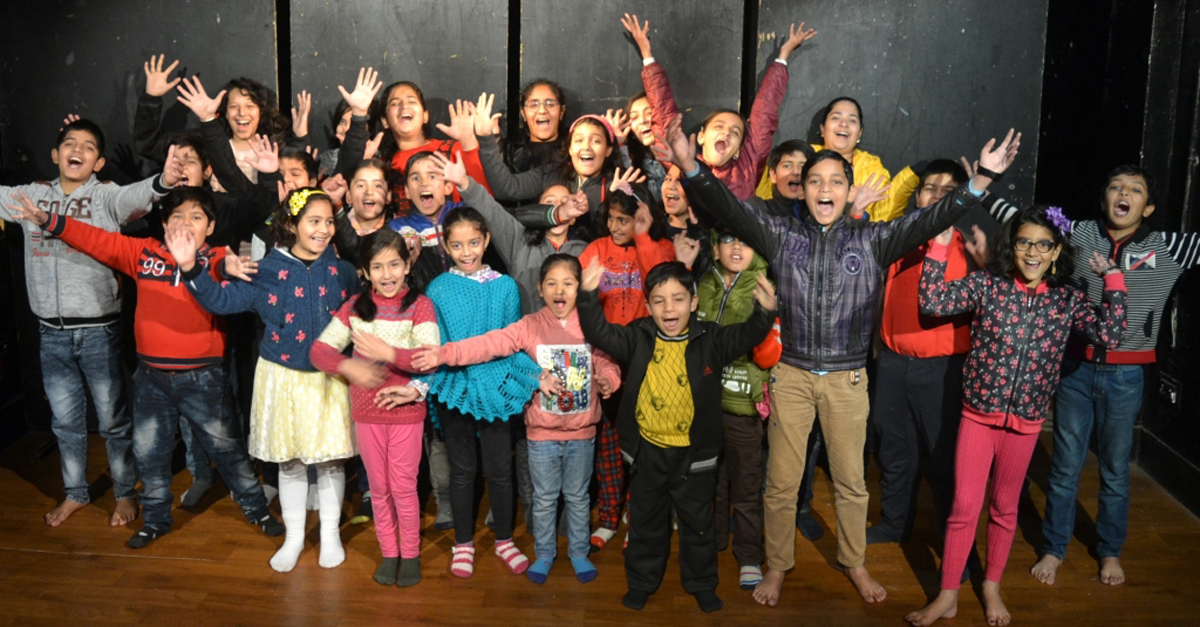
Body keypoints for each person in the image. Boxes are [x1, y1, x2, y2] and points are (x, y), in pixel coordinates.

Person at [662, 112, 1021, 606]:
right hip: (790, 376)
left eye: (835, 181)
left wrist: (981, 179)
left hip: (848, 380)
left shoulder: (875, 239)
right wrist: (688, 163)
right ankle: (778, 567)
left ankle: (854, 562)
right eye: (814, 181)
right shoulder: (780, 235)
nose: (824, 189)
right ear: (803, 191)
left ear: (849, 191)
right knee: (781, 484)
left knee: (852, 484)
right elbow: (727, 205)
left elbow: (933, 217)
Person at [10, 186, 286, 547]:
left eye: (196, 217)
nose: (186, 223)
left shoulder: (217, 257)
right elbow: (95, 238)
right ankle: (156, 518)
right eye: (177, 216)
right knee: (150, 455)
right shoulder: (143, 253)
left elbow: (223, 264)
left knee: (229, 451)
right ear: (163, 223)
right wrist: (49, 220)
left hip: (203, 378)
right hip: (152, 379)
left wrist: (228, 266)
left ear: (211, 226)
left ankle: (257, 509)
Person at [905, 205, 1127, 627]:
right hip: (978, 417)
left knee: (1005, 509)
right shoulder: (989, 286)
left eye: (1043, 245)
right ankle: (947, 595)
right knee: (963, 507)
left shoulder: (1066, 300)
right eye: (1024, 241)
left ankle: (991, 585)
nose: (1032, 252)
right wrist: (937, 245)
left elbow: (1111, 334)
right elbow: (932, 300)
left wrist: (1113, 279)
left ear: (1056, 252)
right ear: (1014, 245)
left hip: (1024, 424)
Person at [980, 167, 1200, 587]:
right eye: (1116, 187)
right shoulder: (1077, 234)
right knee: (1064, 467)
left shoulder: (1168, 246)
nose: (1124, 193)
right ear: (1104, 200)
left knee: (1115, 469)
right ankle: (1053, 548)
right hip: (1074, 370)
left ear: (1147, 206)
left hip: (1126, 375)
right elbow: (1018, 222)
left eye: (1135, 190)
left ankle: (1110, 551)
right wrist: (983, 186)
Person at [0, 119, 181, 527]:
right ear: (55, 154)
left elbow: (139, 197)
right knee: (64, 421)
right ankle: (75, 493)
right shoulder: (31, 195)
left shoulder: (105, 197)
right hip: (51, 332)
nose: (75, 149)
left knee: (113, 419)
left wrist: (163, 182)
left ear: (98, 162)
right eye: (68, 143)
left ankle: (123, 493)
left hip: (99, 330)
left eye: (86, 146)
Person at [577, 259, 777, 612]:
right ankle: (641, 581)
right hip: (646, 455)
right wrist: (589, 296)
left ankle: (700, 583)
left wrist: (764, 312)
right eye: (659, 300)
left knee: (698, 526)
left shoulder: (711, 338)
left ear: (694, 302)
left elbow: (747, 334)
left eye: (679, 299)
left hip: (694, 458)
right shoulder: (637, 335)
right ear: (648, 304)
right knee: (646, 526)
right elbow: (599, 334)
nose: (669, 308)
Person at [177, 188, 359, 572]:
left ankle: (330, 534)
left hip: (328, 381)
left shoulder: (342, 272)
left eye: (329, 221)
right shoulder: (267, 271)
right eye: (314, 221)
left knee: (330, 463)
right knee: (290, 462)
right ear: (291, 225)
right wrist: (192, 268)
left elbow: (360, 320)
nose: (324, 229)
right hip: (283, 378)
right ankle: (294, 537)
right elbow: (222, 302)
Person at [415, 254, 621, 584]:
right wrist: (445, 353)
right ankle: (544, 555)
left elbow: (606, 359)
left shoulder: (591, 326)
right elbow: (490, 343)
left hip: (583, 433)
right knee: (543, 499)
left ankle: (579, 553)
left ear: (579, 288)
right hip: (541, 434)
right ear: (540, 289)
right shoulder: (529, 326)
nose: (560, 290)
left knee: (579, 497)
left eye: (568, 283)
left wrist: (610, 379)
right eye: (552, 283)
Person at [869, 159, 993, 546]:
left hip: (943, 371)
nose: (936, 196)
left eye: (948, 191)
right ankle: (894, 525)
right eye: (929, 189)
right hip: (891, 363)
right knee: (893, 452)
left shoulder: (970, 247)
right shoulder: (895, 240)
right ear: (916, 196)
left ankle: (953, 540)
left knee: (945, 461)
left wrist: (985, 267)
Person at [418, 207, 542, 578]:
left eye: (474, 242)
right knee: (462, 471)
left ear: (486, 240)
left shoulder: (505, 287)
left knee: (500, 470)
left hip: (497, 388)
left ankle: (504, 539)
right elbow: (436, 340)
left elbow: (510, 340)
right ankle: (463, 542)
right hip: (455, 387)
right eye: (457, 245)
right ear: (446, 246)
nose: (467, 251)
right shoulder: (438, 288)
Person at [311, 229, 438, 588]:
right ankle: (389, 552)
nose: (387, 275)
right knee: (379, 489)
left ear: (407, 265)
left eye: (394, 264)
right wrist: (349, 366)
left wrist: (388, 354)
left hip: (405, 414)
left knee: (403, 488)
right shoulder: (355, 307)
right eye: (377, 267)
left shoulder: (420, 305)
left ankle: (410, 553)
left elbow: (428, 359)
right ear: (364, 271)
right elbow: (320, 351)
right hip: (367, 414)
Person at [622, 13, 816, 200]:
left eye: (735, 132)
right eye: (719, 126)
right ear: (701, 136)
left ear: (740, 147)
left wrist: (783, 57)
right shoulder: (679, 163)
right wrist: (647, 56)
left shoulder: (746, 170)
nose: (727, 132)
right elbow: (664, 114)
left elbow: (764, 116)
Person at [578, 185, 675, 551]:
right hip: (604, 356)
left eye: (626, 219)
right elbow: (579, 294)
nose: (617, 227)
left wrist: (645, 235)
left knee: (643, 445)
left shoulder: (656, 247)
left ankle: (639, 515)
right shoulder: (597, 249)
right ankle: (608, 515)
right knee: (608, 443)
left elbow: (660, 282)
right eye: (613, 219)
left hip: (644, 357)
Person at [691, 226, 782, 591]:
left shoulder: (762, 283)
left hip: (744, 408)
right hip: (707, 407)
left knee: (746, 488)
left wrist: (767, 318)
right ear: (715, 249)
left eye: (744, 240)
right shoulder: (705, 282)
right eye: (728, 240)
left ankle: (748, 556)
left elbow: (770, 352)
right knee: (712, 484)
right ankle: (713, 544)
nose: (737, 247)